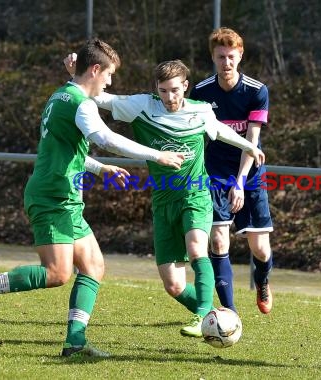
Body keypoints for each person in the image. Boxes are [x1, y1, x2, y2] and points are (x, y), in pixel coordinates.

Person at [0, 38, 186, 359]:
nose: (110, 81)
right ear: (94, 69)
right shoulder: (81, 103)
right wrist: (157, 155)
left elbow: (63, 149)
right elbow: (104, 137)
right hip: (52, 197)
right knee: (56, 273)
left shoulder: (60, 95)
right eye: (108, 74)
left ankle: (74, 344)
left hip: (63, 196)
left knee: (93, 267)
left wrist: (99, 168)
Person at [63, 56, 266, 337]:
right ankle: (220, 318)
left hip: (195, 194)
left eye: (175, 89)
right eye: (163, 91)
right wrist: (77, 73)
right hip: (163, 201)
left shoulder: (202, 110)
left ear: (185, 85)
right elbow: (101, 98)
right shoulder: (143, 106)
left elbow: (218, 130)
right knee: (174, 285)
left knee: (197, 248)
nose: (170, 97)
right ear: (156, 89)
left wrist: (249, 146)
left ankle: (200, 317)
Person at [189, 27, 273, 314]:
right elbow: (197, 135)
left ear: (240, 56)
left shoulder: (256, 91)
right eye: (221, 56)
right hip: (214, 171)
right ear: (213, 57)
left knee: (260, 248)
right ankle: (229, 312)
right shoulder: (201, 91)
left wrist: (239, 181)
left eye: (231, 56)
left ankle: (262, 281)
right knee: (217, 239)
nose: (226, 62)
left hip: (248, 173)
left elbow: (252, 141)